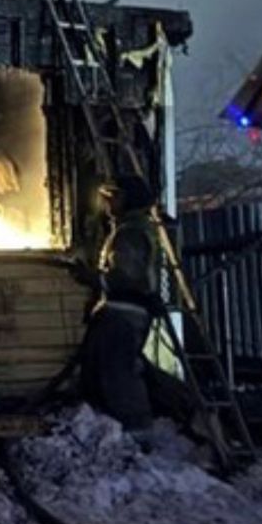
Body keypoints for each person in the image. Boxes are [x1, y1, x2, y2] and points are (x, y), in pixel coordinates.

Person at [79, 174, 164, 429]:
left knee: (118, 374)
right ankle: (113, 427)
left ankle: (136, 429)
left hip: (124, 314)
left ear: (127, 199)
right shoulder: (129, 229)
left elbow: (125, 278)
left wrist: (90, 278)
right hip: (120, 312)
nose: (107, 203)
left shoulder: (130, 233)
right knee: (104, 370)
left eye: (112, 197)